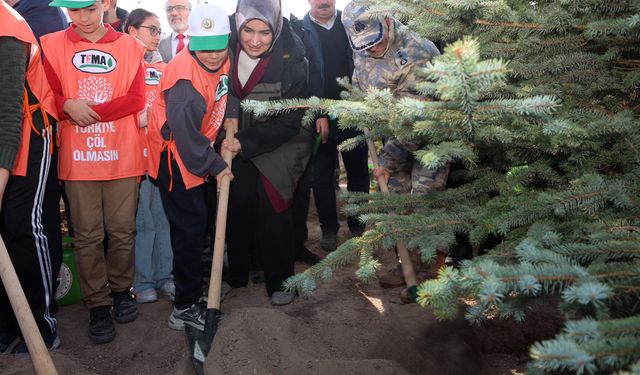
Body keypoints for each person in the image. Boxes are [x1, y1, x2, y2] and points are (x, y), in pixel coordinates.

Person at [42, 0, 146, 344]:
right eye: (73, 11)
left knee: (122, 231)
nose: (82, 18)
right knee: (86, 236)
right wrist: (64, 104)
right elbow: (46, 93)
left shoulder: (131, 46)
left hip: (123, 155)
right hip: (78, 157)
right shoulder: (52, 44)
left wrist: (89, 111)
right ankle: (97, 304)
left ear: (104, 4)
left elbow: (136, 98)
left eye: (88, 8)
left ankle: (120, 290)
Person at [342, 2, 449, 292]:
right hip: (393, 132)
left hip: (431, 133)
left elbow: (414, 126)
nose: (372, 49)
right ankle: (408, 265)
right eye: (364, 45)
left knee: (425, 201)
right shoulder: (361, 41)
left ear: (387, 21)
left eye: (376, 41)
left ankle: (437, 269)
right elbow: (361, 75)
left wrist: (386, 162)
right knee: (399, 200)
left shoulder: (418, 51)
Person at [147, 2, 234, 331]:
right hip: (176, 159)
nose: (213, 56)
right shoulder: (183, 79)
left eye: (219, 47)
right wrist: (217, 165)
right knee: (189, 231)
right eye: (204, 48)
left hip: (200, 150)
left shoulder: (224, 57)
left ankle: (196, 290)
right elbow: (186, 138)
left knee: (201, 225)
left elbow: (229, 92)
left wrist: (230, 127)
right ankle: (184, 305)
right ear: (192, 42)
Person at [223, 0, 313, 306]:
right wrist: (230, 135)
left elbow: (290, 120)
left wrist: (245, 142)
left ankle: (280, 280)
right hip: (235, 133)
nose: (255, 40)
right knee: (237, 200)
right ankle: (237, 274)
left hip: (283, 138)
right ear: (238, 24)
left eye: (264, 32)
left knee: (273, 203)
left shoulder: (294, 56)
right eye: (248, 30)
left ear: (275, 28)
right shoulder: (224, 41)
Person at [0, 0, 60, 353]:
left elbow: (9, 116)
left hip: (28, 133)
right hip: (7, 130)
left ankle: (40, 324)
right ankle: (8, 322)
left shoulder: (8, 27)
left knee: (21, 224)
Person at [294, 0, 369, 254]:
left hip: (353, 110)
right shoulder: (300, 30)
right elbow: (301, 78)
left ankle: (358, 225)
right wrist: (317, 113)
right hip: (320, 115)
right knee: (322, 175)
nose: (323, 1)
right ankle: (329, 229)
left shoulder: (351, 24)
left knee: (358, 169)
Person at [123, 8, 175, 304]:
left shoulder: (165, 68)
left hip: (162, 156)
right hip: (133, 157)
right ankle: (142, 281)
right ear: (132, 30)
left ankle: (165, 276)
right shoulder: (121, 64)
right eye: (151, 30)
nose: (157, 36)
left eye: (159, 31)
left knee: (164, 219)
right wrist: (135, 117)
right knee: (143, 223)